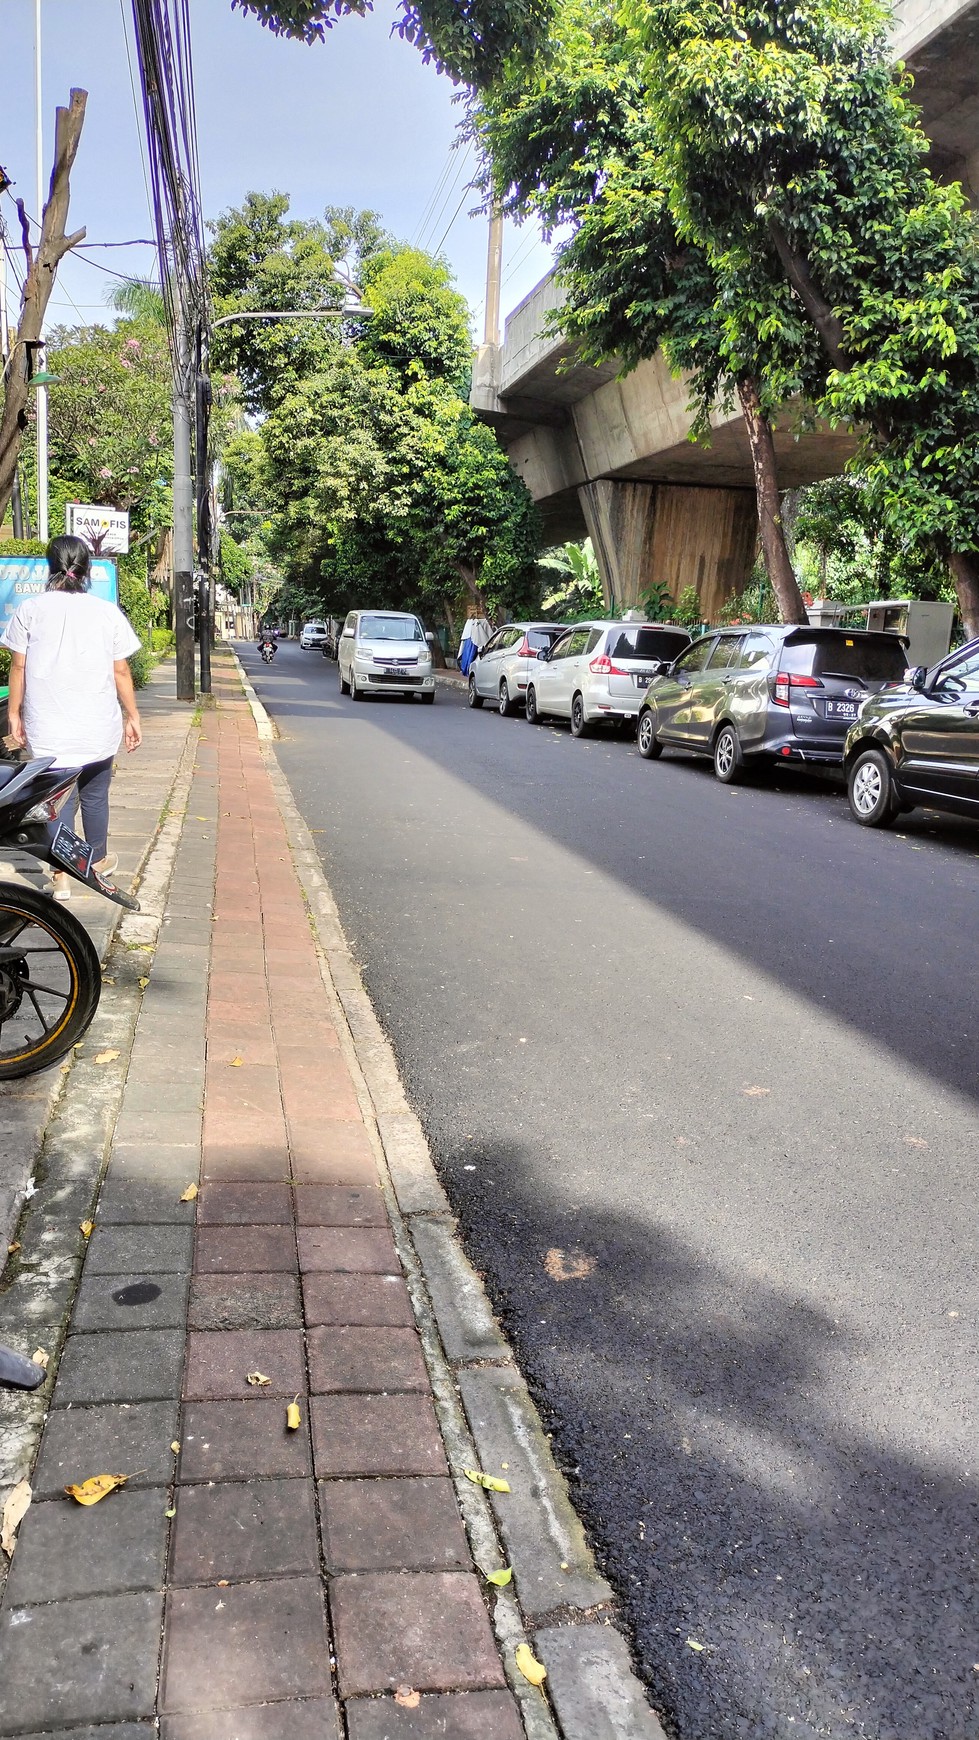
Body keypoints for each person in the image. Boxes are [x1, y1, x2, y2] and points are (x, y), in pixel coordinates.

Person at [1, 534, 142, 898]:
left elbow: (18, 668)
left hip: (47, 723)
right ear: (87, 567)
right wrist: (133, 716)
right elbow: (121, 672)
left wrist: (14, 715)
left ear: (50, 566)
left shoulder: (29, 609)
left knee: (56, 797)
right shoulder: (105, 611)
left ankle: (60, 874)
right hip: (97, 723)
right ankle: (95, 864)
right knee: (94, 796)